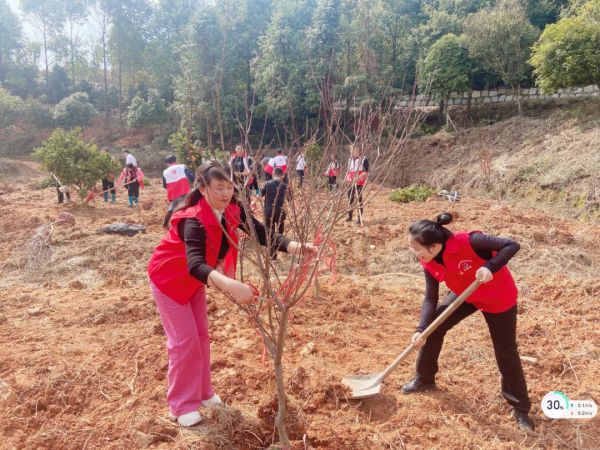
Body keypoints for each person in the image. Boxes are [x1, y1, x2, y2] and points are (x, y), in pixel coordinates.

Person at [147, 160, 316, 427]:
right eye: (218, 188)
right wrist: (231, 285)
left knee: (201, 337)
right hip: (169, 280)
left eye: (229, 187)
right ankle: (180, 405)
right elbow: (195, 264)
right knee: (184, 342)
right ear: (203, 189)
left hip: (193, 283)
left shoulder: (232, 210)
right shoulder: (192, 219)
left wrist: (295, 246)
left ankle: (202, 393)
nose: (225, 193)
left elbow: (261, 233)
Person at [402, 213, 534, 432]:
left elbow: (512, 245)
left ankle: (520, 409)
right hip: (466, 294)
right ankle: (424, 379)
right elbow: (430, 298)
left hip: (497, 297)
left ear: (434, 246)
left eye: (417, 249)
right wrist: (422, 329)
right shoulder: (429, 261)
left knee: (505, 351)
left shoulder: (469, 242)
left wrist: (490, 267)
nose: (415, 254)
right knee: (434, 328)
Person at [260, 167, 288, 260]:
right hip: (280, 212)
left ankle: (272, 254)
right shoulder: (285, 185)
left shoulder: (267, 184)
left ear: (272, 174)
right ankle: (279, 248)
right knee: (280, 232)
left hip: (268, 211)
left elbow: (260, 195)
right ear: (282, 175)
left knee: (270, 232)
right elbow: (290, 200)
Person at [162, 155, 195, 228]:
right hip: (183, 191)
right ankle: (179, 225)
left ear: (167, 163)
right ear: (175, 160)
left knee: (172, 207)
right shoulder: (182, 166)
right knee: (182, 208)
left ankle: (165, 223)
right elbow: (191, 177)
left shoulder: (165, 172)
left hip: (173, 193)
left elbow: (164, 185)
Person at [345, 144, 369, 224]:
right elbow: (348, 171)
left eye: (354, 150)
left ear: (359, 151)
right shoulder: (349, 160)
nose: (353, 152)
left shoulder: (364, 159)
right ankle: (350, 216)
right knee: (350, 198)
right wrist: (348, 178)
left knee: (359, 199)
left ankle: (359, 218)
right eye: (351, 151)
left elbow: (366, 172)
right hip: (350, 182)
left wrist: (357, 177)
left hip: (360, 182)